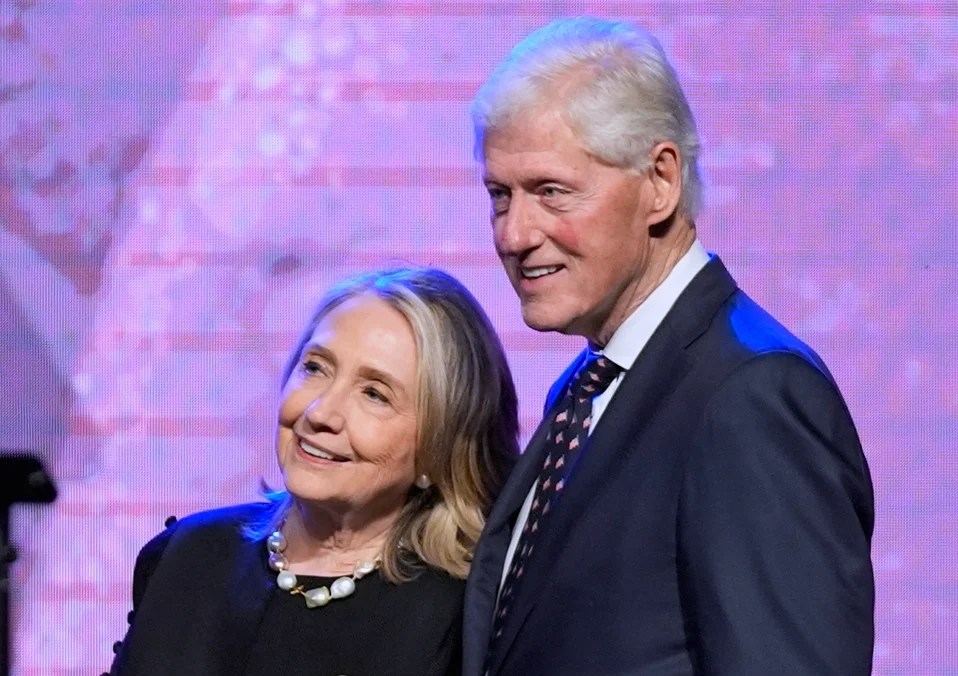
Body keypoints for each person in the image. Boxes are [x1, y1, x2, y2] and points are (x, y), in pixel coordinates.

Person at [464, 17, 874, 676]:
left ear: (660, 182)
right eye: (499, 196)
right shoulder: (586, 389)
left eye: (550, 192)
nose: (514, 235)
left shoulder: (752, 397)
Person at [108, 267, 518, 676]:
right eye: (316, 368)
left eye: (374, 394)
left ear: (439, 449)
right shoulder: (187, 556)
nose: (320, 412)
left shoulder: (465, 618)